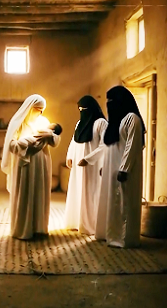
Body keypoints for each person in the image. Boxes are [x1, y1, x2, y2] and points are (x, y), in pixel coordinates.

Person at [0, 94, 61, 240]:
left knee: (39, 193)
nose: (40, 112)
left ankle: (39, 228)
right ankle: (23, 229)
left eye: (42, 110)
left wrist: (50, 136)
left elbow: (55, 139)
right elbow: (11, 145)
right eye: (37, 109)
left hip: (41, 163)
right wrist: (26, 145)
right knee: (25, 193)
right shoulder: (18, 123)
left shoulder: (44, 121)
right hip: (25, 164)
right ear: (30, 108)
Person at [95, 85, 146, 248]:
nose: (109, 104)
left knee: (123, 204)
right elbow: (109, 147)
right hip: (111, 169)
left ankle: (123, 238)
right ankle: (109, 234)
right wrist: (104, 165)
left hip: (124, 172)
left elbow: (132, 146)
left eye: (112, 100)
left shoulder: (132, 119)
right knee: (111, 203)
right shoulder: (114, 122)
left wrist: (124, 169)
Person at [64, 95, 108, 235]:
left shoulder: (101, 123)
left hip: (92, 165)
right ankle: (76, 221)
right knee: (77, 190)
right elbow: (74, 140)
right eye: (80, 110)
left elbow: (105, 145)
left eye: (84, 109)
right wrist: (70, 156)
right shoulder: (79, 123)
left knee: (90, 192)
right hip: (78, 163)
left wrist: (89, 159)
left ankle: (90, 225)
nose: (82, 112)